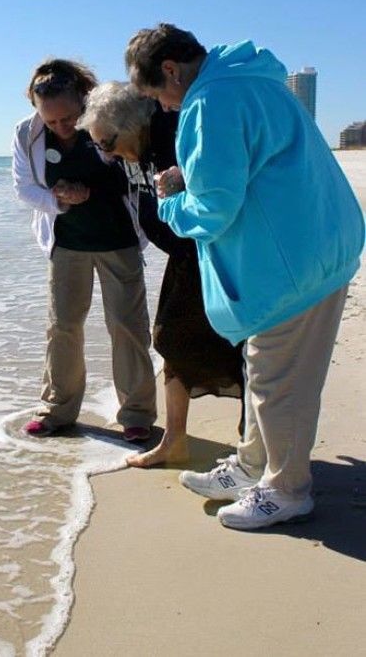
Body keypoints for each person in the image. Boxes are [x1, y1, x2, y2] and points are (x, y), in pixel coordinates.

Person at [125, 23, 364, 530]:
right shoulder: (249, 80)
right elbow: (254, 162)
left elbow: (213, 211)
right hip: (314, 242)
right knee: (265, 371)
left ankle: (286, 490)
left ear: (171, 70)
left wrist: (169, 202)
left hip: (292, 264)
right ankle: (254, 466)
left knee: (280, 382)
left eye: (157, 94)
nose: (164, 107)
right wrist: (193, 175)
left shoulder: (213, 102)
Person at [77, 81, 245, 467]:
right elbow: (112, 184)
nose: (106, 153)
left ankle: (251, 445)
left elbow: (221, 182)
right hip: (182, 257)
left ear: (133, 122)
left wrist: (183, 182)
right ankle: (174, 440)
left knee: (236, 346)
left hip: (214, 251)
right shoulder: (127, 152)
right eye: (99, 145)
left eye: (106, 143)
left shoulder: (175, 135)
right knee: (170, 341)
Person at [11, 59, 157, 440]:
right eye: (52, 121)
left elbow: (136, 167)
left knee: (127, 326)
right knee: (62, 326)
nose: (61, 127)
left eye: (70, 118)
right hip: (67, 243)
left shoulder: (109, 116)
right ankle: (57, 409)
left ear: (84, 100)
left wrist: (93, 190)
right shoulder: (27, 134)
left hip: (118, 238)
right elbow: (24, 187)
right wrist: (58, 199)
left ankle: (137, 414)